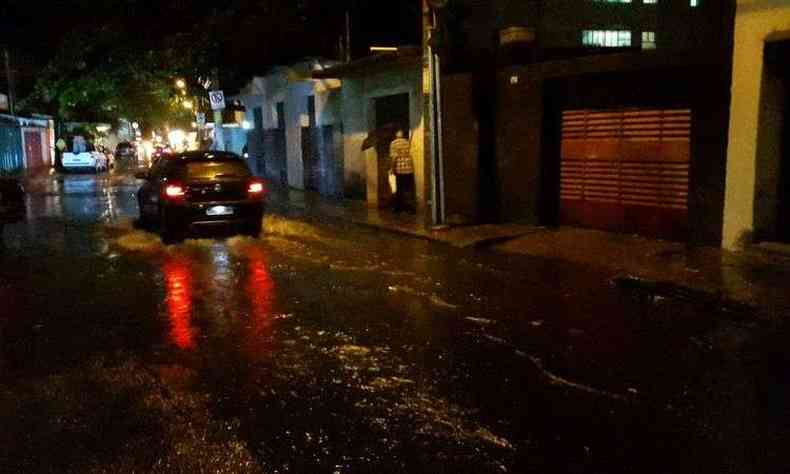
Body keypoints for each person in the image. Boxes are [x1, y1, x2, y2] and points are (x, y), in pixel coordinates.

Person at [389, 130, 415, 213]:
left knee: (399, 189)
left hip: (400, 169)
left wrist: (392, 169)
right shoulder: (407, 142)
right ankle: (410, 208)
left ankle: (398, 208)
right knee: (408, 189)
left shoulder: (393, 143)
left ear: (396, 135)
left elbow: (394, 158)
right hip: (409, 169)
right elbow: (410, 155)